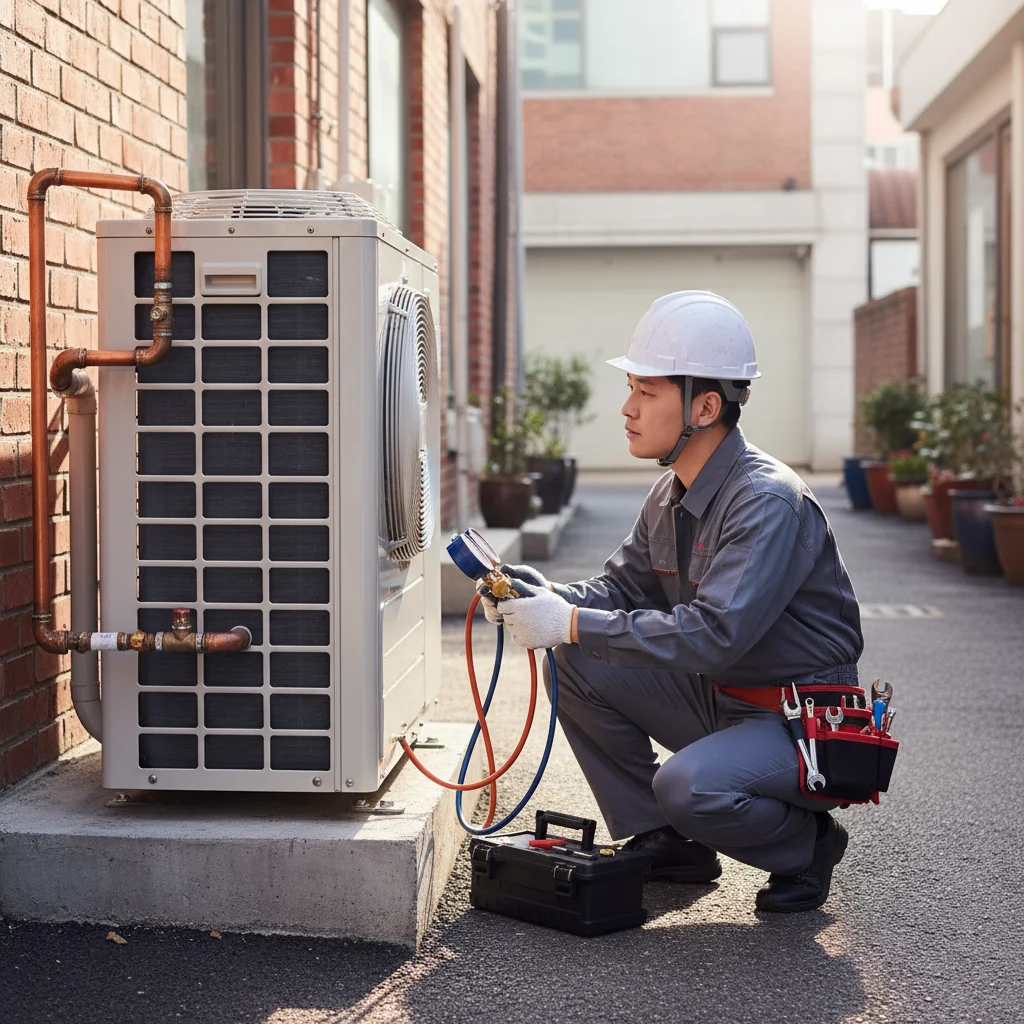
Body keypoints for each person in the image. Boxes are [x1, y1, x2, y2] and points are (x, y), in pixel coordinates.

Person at [479, 291, 864, 913]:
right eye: (631, 388)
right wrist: (548, 598)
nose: (627, 409)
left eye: (647, 392)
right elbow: (621, 591)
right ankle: (666, 841)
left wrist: (573, 621)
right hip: (722, 697)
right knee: (572, 657)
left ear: (706, 406)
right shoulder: (671, 491)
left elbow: (715, 633)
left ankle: (807, 844)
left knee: (685, 785)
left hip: (801, 722)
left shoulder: (767, 501)